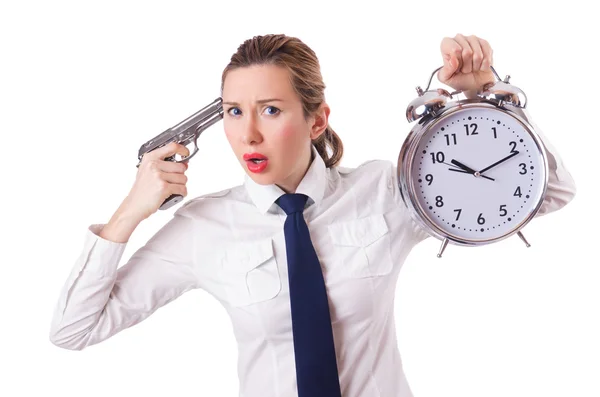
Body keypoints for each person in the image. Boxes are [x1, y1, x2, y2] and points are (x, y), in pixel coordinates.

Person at [49, 33, 576, 397]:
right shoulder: (202, 229)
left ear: (317, 119)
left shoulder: (384, 191)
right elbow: (73, 331)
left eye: (271, 109)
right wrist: (128, 213)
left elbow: (549, 192)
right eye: (235, 112)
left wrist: (484, 98)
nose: (248, 133)